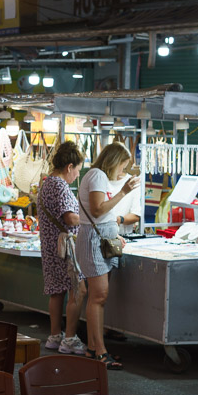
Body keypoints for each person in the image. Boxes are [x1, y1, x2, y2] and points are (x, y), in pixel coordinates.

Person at [76, 141, 141, 371]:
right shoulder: (97, 176)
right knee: (99, 295)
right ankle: (99, 351)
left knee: (99, 296)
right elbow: (97, 210)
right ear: (113, 161)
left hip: (103, 238)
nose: (122, 171)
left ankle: (94, 347)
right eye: (123, 165)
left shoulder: (98, 177)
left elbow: (104, 213)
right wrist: (124, 191)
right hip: (94, 240)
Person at [40, 141, 87, 355]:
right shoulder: (60, 185)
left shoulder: (47, 183)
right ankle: (69, 339)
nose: (77, 175)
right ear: (69, 167)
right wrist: (89, 218)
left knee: (56, 292)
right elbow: (70, 218)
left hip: (51, 246)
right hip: (66, 249)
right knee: (78, 290)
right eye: (77, 170)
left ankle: (55, 335)